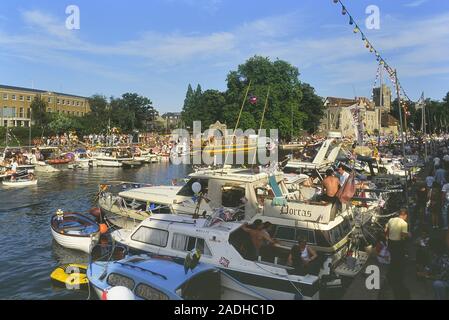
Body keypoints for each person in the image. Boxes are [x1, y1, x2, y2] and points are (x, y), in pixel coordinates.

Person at [385, 209, 410, 299]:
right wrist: (408, 235)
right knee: (397, 260)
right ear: (405, 215)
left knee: (392, 258)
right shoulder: (404, 223)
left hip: (391, 242)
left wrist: (387, 239)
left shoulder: (391, 220)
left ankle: (390, 276)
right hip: (398, 244)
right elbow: (403, 236)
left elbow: (386, 231)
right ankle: (395, 278)